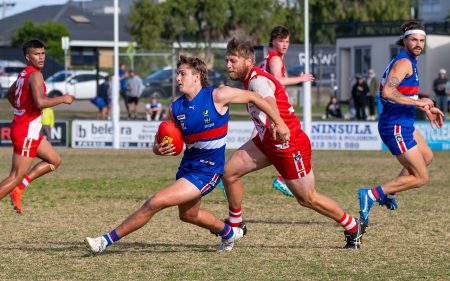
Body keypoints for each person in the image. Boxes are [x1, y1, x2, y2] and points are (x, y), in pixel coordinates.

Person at [84, 55, 290, 254]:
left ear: (196, 76)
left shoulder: (218, 96)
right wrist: (158, 149)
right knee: (188, 215)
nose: (177, 78)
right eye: (177, 74)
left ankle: (105, 240)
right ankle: (229, 233)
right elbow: (165, 141)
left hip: (208, 170)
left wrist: (278, 122)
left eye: (182, 74)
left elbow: (255, 97)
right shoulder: (175, 107)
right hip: (187, 167)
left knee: (156, 202)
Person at [221, 38, 366, 249]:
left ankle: (352, 225)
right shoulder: (250, 80)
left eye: (233, 60)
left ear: (248, 61)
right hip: (267, 142)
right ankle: (236, 225)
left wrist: (276, 122)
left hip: (288, 144)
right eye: (226, 60)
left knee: (307, 198)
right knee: (229, 172)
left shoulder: (256, 81)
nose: (228, 65)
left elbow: (268, 100)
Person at [358, 21, 444, 227]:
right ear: (404, 40)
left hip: (404, 123)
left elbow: (404, 93)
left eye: (422, 40)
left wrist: (425, 107)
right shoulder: (404, 62)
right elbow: (388, 92)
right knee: (421, 178)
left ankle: (389, 192)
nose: (418, 44)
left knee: (427, 156)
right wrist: (418, 103)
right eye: (414, 39)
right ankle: (372, 194)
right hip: (395, 125)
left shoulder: (410, 62)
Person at [0, 39, 74, 214]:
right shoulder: (35, 75)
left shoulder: (25, 74)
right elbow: (40, 102)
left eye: (42, 53)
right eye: (36, 54)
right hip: (26, 131)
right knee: (15, 176)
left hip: (27, 130)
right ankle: (18, 186)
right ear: (28, 57)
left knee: (54, 161)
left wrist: (21, 110)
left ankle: (20, 188)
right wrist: (63, 99)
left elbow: (10, 94)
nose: (41, 57)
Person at [259, 26, 315, 197]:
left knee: (262, 144)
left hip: (264, 105)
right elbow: (277, 80)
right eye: (281, 41)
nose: (284, 45)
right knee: (289, 141)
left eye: (287, 41)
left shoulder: (269, 57)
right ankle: (282, 179)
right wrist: (301, 78)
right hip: (271, 107)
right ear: (273, 41)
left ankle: (228, 174)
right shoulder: (275, 59)